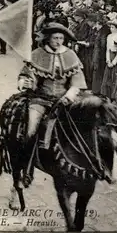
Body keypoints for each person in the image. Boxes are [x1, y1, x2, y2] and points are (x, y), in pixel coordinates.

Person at [18, 22, 87, 187]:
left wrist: (70, 95)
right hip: (41, 98)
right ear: (48, 38)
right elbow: (27, 74)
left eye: (61, 38)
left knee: (82, 126)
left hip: (65, 100)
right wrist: (25, 82)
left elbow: (77, 81)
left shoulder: (70, 55)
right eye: (55, 38)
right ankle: (25, 168)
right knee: (31, 128)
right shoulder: (37, 54)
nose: (58, 41)